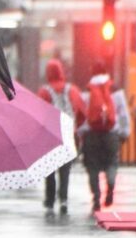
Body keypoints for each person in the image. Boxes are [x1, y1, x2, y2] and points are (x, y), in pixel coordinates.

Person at [79, 61, 131, 212]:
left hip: (91, 135)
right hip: (111, 134)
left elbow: (82, 116)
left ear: (92, 72)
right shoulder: (115, 90)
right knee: (112, 163)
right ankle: (111, 186)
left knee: (92, 167)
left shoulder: (87, 90)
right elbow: (123, 114)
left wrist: (81, 133)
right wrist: (124, 132)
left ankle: (96, 198)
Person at [37, 59, 86, 216]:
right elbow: (82, 111)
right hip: (68, 134)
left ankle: (50, 199)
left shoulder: (45, 91)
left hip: (50, 136)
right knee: (65, 170)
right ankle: (63, 200)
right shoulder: (72, 90)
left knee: (50, 169)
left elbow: (39, 113)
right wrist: (75, 126)